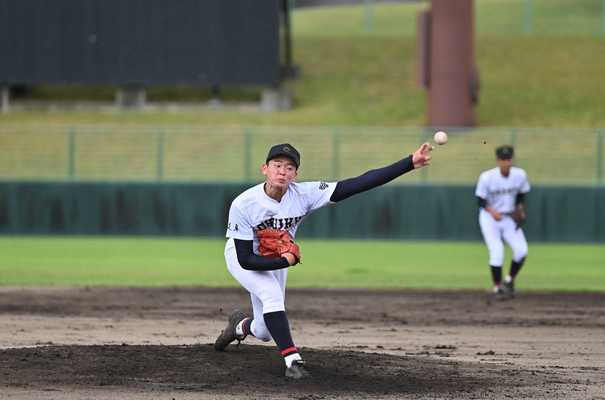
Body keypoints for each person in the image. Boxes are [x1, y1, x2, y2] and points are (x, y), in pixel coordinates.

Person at [214, 142, 433, 379]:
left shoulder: (304, 194)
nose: (282, 171)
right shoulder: (244, 204)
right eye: (277, 165)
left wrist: (409, 163)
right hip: (242, 256)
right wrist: (285, 261)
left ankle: (239, 326)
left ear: (295, 175)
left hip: (277, 257)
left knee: (264, 330)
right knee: (271, 295)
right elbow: (246, 259)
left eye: (289, 167)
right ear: (264, 169)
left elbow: (358, 183)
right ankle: (292, 360)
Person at [475, 145, 530, 298]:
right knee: (497, 251)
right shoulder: (487, 177)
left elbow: (521, 195)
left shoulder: (520, 175)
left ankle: (509, 280)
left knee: (521, 250)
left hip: (509, 217)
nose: (507, 162)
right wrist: (492, 212)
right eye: (504, 159)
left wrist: (520, 210)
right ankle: (498, 287)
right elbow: (480, 200)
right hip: (489, 217)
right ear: (498, 160)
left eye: (509, 159)